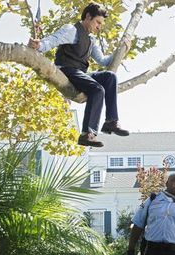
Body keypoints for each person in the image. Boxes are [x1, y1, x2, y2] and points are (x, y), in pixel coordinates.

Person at [28, 3, 130, 147]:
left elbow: (103, 61)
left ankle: (110, 122)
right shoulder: (72, 30)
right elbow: (53, 40)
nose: (99, 26)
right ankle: (87, 134)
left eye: (101, 24)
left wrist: (122, 50)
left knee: (109, 77)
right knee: (97, 89)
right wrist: (39, 45)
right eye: (97, 22)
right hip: (66, 70)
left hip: (79, 73)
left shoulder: (91, 40)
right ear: (88, 16)